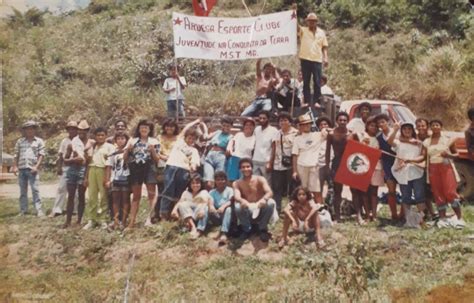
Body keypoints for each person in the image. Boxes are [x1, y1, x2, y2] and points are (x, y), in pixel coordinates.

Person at [422, 120, 465, 228]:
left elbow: (457, 154)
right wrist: (410, 160)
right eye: (433, 125)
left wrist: (448, 155)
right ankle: (442, 218)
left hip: (446, 167)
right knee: (438, 193)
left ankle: (459, 217)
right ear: (430, 128)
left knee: (450, 192)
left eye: (437, 125)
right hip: (433, 169)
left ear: (441, 127)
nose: (435, 127)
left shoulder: (447, 140)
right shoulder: (426, 142)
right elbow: (423, 157)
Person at [387, 122, 426, 228]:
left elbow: (422, 156)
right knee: (406, 197)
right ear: (402, 131)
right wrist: (394, 129)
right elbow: (389, 141)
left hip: (417, 172)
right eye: (405, 129)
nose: (407, 131)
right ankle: (408, 220)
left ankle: (422, 220)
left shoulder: (419, 143)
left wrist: (411, 160)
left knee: (419, 197)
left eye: (409, 129)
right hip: (403, 174)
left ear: (413, 130)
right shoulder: (398, 142)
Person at [123, 119, 160, 228]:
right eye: (142, 127)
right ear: (138, 129)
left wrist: (152, 150)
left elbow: (157, 159)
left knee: (151, 195)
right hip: (136, 168)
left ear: (150, 130)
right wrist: (127, 150)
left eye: (146, 128)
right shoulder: (132, 140)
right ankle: (132, 222)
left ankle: (149, 219)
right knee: (136, 196)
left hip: (149, 167)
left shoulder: (154, 141)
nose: (144, 129)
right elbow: (125, 159)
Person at [160, 128, 201, 220]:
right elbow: (185, 129)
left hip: (184, 170)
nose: (191, 140)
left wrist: (193, 167)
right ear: (185, 137)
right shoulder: (179, 142)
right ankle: (163, 214)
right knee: (168, 190)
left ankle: (176, 214)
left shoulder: (194, 150)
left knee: (179, 192)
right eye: (189, 138)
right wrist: (197, 121)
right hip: (171, 167)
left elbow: (195, 162)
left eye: (193, 139)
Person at [233, 158, 276, 242]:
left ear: (252, 167)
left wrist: (264, 199)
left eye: (248, 166)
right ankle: (247, 229)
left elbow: (269, 192)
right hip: (247, 210)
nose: (246, 169)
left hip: (260, 208)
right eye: (243, 167)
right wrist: (242, 201)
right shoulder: (237, 183)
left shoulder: (260, 179)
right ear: (240, 169)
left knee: (270, 203)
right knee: (238, 206)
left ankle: (262, 228)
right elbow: (237, 196)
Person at [83, 127, 115, 229]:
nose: (100, 137)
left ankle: (102, 219)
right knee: (92, 196)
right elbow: (88, 162)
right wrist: (86, 177)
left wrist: (107, 178)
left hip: (103, 170)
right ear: (95, 136)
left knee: (103, 195)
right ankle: (91, 219)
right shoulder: (93, 146)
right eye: (98, 135)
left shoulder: (110, 146)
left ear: (106, 136)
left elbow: (110, 163)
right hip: (92, 169)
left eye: (102, 135)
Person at [12, 120, 45, 217]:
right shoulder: (20, 141)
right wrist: (15, 166)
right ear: (24, 131)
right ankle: (23, 210)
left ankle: (39, 210)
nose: (30, 131)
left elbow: (41, 155)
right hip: (22, 168)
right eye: (27, 129)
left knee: (35, 190)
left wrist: (36, 166)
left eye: (32, 129)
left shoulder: (39, 141)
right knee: (23, 190)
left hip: (32, 168)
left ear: (35, 130)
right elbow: (16, 154)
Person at [63, 120, 92, 228]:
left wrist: (86, 176)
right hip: (72, 169)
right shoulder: (72, 144)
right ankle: (68, 220)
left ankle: (79, 220)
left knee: (81, 196)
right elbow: (65, 160)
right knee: (70, 196)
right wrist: (75, 159)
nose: (81, 132)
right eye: (80, 130)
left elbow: (88, 162)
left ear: (87, 131)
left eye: (84, 130)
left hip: (83, 170)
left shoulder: (90, 143)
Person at [292, 113, 325, 206]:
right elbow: (294, 155)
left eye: (308, 124)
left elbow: (330, 131)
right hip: (301, 166)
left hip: (314, 166)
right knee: (302, 191)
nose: (306, 126)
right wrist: (294, 171)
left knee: (316, 190)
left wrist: (325, 129)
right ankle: (303, 210)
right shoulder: (297, 138)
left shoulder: (317, 135)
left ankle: (320, 210)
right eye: (304, 124)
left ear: (311, 124)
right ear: (300, 126)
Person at [297, 12, 329, 107]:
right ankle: (306, 101)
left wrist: (325, 57)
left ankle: (316, 101)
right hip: (305, 59)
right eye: (309, 21)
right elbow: (295, 26)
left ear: (316, 22)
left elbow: (324, 46)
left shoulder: (321, 32)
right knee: (306, 81)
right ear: (307, 22)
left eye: (313, 21)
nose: (311, 23)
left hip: (317, 60)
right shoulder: (303, 30)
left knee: (317, 81)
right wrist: (294, 12)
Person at [375, 114, 403, 221]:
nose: (381, 124)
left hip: (399, 163)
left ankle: (403, 214)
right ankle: (394, 214)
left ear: (388, 122)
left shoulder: (398, 132)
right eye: (378, 123)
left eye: (383, 122)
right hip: (387, 165)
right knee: (391, 191)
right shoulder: (378, 137)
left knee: (404, 190)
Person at [270, 112, 298, 213]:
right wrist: (270, 163)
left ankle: (291, 209)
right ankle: (277, 209)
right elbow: (273, 149)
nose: (283, 122)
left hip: (290, 166)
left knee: (292, 188)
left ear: (290, 122)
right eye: (281, 120)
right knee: (277, 188)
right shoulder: (276, 133)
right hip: (277, 165)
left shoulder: (296, 133)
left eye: (285, 120)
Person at [325, 112, 351, 222]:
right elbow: (327, 150)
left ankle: (359, 214)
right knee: (337, 190)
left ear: (347, 121)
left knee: (355, 189)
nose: (342, 122)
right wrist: (327, 166)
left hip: (349, 163)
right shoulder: (331, 134)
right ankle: (337, 215)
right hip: (337, 162)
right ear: (337, 121)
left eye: (344, 120)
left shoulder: (351, 134)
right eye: (340, 120)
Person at [50, 121, 78, 217]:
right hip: (66, 166)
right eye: (70, 128)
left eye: (74, 128)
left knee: (76, 190)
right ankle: (57, 209)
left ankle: (74, 210)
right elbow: (60, 155)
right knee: (62, 188)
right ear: (68, 130)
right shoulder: (64, 141)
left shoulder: (79, 140)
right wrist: (59, 167)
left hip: (77, 167)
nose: (72, 130)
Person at [358, 117, 384, 221]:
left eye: (376, 126)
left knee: (374, 191)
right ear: (367, 126)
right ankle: (367, 214)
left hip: (377, 166)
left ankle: (374, 214)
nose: (374, 128)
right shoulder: (363, 136)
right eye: (371, 125)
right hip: (365, 166)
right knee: (364, 191)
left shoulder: (379, 138)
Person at [172, 174, 213, 239]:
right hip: (188, 216)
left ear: (201, 184)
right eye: (193, 183)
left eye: (197, 183)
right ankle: (193, 226)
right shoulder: (186, 193)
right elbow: (180, 201)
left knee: (205, 208)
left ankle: (199, 230)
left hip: (199, 214)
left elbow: (206, 201)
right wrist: (174, 210)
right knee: (182, 204)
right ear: (189, 184)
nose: (195, 185)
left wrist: (202, 210)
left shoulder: (203, 192)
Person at [106, 133, 131, 230]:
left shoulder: (129, 151)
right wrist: (108, 179)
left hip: (126, 178)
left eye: (123, 138)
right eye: (118, 139)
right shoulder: (113, 153)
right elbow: (110, 166)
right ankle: (116, 220)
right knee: (115, 200)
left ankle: (124, 221)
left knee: (125, 200)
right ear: (115, 141)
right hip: (116, 178)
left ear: (126, 140)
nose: (120, 140)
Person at [203, 117, 233, 189]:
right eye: (224, 125)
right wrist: (204, 126)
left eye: (228, 126)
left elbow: (230, 147)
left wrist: (228, 150)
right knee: (209, 182)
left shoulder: (231, 137)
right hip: (210, 156)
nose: (225, 127)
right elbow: (206, 137)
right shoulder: (217, 132)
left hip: (220, 157)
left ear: (231, 127)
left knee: (219, 181)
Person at [414, 118, 436, 219]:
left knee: (430, 191)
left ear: (427, 126)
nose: (421, 128)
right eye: (418, 126)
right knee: (420, 191)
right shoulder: (414, 137)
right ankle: (425, 213)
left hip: (431, 167)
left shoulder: (432, 137)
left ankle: (433, 212)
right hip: (417, 167)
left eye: (423, 125)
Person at [252, 111, 279, 184]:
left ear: (268, 119)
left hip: (266, 161)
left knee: (266, 184)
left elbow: (274, 148)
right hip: (255, 160)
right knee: (255, 183)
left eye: (264, 118)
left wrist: (270, 163)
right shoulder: (256, 129)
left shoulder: (273, 130)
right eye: (260, 118)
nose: (262, 120)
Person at [226, 118, 256, 182]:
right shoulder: (239, 134)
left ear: (253, 127)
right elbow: (231, 142)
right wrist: (229, 148)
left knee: (243, 182)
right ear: (244, 126)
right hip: (234, 159)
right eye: (246, 125)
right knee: (231, 180)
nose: (248, 126)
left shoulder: (255, 138)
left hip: (246, 161)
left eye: (250, 125)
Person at [208, 171, 234, 245]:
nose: (220, 182)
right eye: (218, 180)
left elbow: (231, 201)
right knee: (206, 208)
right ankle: (201, 229)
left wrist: (223, 206)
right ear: (215, 181)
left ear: (225, 181)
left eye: (222, 179)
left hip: (227, 215)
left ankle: (224, 233)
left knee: (229, 209)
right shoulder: (212, 192)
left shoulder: (229, 190)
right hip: (217, 215)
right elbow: (210, 202)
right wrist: (211, 207)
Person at [315, 116, 333, 203]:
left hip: (331, 164)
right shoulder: (316, 137)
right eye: (321, 125)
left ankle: (330, 205)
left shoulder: (333, 135)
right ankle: (319, 205)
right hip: (319, 164)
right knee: (318, 187)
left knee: (332, 187)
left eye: (325, 124)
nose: (323, 126)